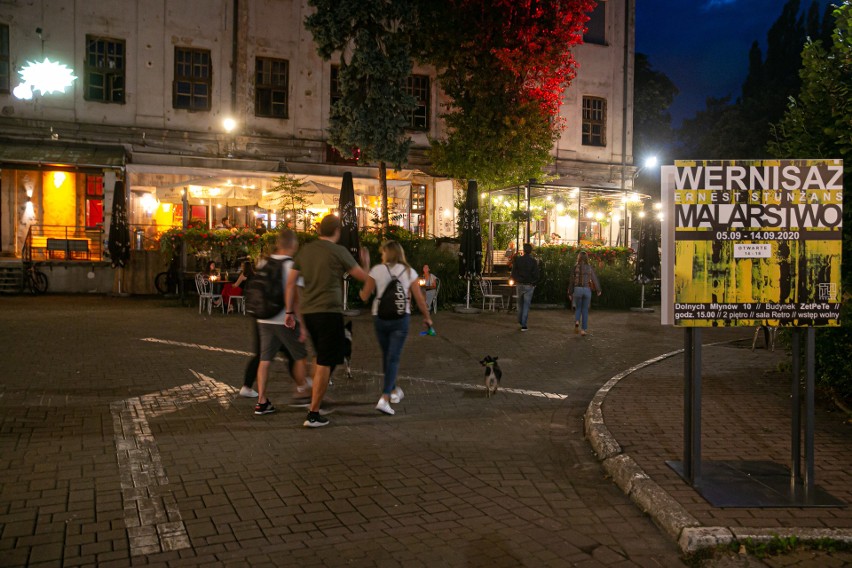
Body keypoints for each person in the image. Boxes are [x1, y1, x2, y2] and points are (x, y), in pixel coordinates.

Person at [284, 214, 370, 428]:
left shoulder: (306, 250)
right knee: (325, 360)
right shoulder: (338, 251)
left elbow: (290, 282)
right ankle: (314, 412)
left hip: (309, 312)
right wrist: (366, 263)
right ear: (337, 231)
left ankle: (315, 398)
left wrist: (288, 312)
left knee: (322, 357)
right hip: (328, 312)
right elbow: (362, 277)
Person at [360, 241, 433, 415]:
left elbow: (364, 296)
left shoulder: (377, 270)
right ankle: (385, 398)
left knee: (387, 356)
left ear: (387, 253)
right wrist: (427, 317)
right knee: (393, 358)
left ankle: (392, 391)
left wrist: (366, 268)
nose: (382, 255)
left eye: (383, 252)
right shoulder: (409, 272)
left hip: (380, 317)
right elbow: (419, 299)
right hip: (401, 319)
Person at [253, 230, 312, 415]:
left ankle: (261, 400)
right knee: (300, 355)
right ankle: (301, 391)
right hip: (284, 319)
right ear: (293, 245)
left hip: (263, 317)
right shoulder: (292, 266)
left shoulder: (263, 262)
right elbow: (296, 297)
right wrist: (301, 322)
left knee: (265, 360)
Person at [568, 250, 602, 336]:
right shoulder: (589, 267)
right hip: (587, 290)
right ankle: (583, 330)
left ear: (578, 258)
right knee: (585, 310)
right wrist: (598, 290)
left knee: (578, 308)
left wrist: (570, 292)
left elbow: (571, 281)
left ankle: (576, 321)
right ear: (587, 258)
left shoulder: (575, 267)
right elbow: (594, 279)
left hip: (577, 290)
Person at [511, 243, 540, 331]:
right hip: (529, 285)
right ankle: (524, 324)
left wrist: (516, 279)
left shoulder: (518, 260)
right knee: (526, 305)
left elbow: (513, 272)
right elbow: (536, 274)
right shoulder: (533, 261)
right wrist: (534, 283)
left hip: (520, 284)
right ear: (530, 251)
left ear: (523, 250)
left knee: (520, 304)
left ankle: (520, 320)